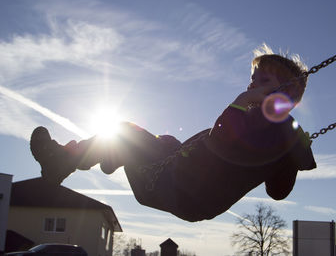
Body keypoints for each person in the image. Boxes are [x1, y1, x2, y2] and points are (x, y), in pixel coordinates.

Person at [30, 44, 316, 222]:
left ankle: (68, 159)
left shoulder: (260, 124)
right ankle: (108, 154)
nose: (252, 87)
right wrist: (292, 154)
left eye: (262, 81)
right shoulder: (280, 134)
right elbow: (276, 191)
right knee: (164, 141)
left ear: (287, 94)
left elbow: (227, 144)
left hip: (174, 186)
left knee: (126, 131)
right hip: (185, 182)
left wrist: (292, 157)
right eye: (251, 80)